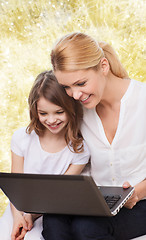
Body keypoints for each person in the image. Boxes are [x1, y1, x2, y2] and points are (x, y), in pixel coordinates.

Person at [45, 32, 146, 240]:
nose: (75, 95)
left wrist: (137, 192)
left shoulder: (142, 101)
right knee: (53, 221)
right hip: (94, 200)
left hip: (140, 202)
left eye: (81, 83)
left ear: (103, 66)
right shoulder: (78, 109)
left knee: (86, 228)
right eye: (67, 87)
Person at [0, 70, 90, 240]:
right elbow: (15, 189)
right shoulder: (21, 139)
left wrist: (31, 216)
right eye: (43, 113)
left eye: (59, 112)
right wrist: (19, 216)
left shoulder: (79, 150)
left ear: (71, 109)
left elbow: (57, 196)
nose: (51, 120)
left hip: (49, 213)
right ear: (35, 111)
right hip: (17, 209)